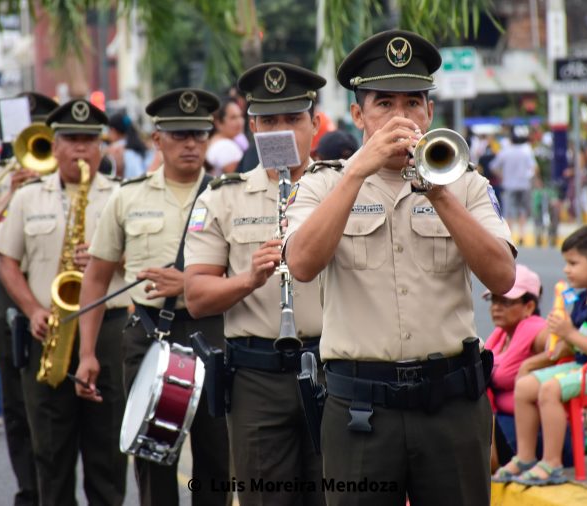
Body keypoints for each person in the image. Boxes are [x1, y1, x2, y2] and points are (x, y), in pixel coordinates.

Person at [284, 30, 516, 506]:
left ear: (430, 112)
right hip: (360, 411)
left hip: (450, 403)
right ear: (358, 115)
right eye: (384, 104)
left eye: (413, 103)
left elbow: (503, 278)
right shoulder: (321, 184)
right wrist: (355, 172)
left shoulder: (465, 183)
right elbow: (302, 265)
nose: (401, 117)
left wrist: (438, 191)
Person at [75, 88, 231, 506]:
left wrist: (190, 284)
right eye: (179, 135)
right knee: (153, 459)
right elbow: (96, 278)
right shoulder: (128, 196)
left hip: (213, 333)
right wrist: (87, 352)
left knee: (217, 460)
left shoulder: (227, 195)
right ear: (157, 139)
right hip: (148, 336)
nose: (191, 144)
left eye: (199, 134)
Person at [184, 62, 327, 506]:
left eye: (292, 119)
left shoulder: (344, 187)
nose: (279, 131)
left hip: (335, 368)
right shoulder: (222, 195)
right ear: (252, 127)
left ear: (315, 123)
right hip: (257, 378)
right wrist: (249, 279)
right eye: (268, 121)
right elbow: (196, 297)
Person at [0, 99, 129, 505]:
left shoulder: (122, 196)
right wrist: (33, 309)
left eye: (90, 140)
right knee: (49, 450)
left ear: (102, 147)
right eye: (72, 140)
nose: (81, 149)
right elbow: (7, 263)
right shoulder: (28, 197)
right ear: (54, 145)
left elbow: (143, 262)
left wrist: (110, 259)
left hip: (107, 330)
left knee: (106, 451)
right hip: (48, 328)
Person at [494, 226, 587, 486]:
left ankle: (552, 463)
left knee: (550, 389)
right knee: (525, 385)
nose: (566, 270)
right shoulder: (584, 298)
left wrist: (569, 332)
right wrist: (560, 339)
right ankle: (525, 456)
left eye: (572, 263)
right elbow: (574, 344)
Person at [0, 91, 57, 506]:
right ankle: (30, 491)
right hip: (10, 288)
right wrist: (12, 192)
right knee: (18, 401)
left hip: (60, 285)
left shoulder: (70, 171)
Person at [482, 264, 556, 471]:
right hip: (504, 425)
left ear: (529, 307)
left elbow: (560, 344)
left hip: (530, 434)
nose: (496, 307)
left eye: (505, 301)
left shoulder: (533, 327)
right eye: (494, 300)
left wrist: (531, 364)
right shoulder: (501, 335)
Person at [490, 129, 538, 245]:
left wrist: (501, 176)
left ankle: (509, 234)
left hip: (509, 185)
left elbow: (493, 166)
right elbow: (534, 168)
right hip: (524, 184)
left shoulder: (505, 152)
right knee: (522, 210)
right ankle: (522, 234)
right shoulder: (526, 152)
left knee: (509, 210)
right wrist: (530, 178)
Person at [106, 111, 151, 179]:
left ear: (113, 130)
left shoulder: (114, 149)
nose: (108, 134)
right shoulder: (142, 146)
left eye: (109, 131)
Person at [206, 98, 245, 175]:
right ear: (218, 123)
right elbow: (238, 179)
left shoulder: (221, 142)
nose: (240, 121)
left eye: (240, 116)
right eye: (233, 117)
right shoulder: (224, 147)